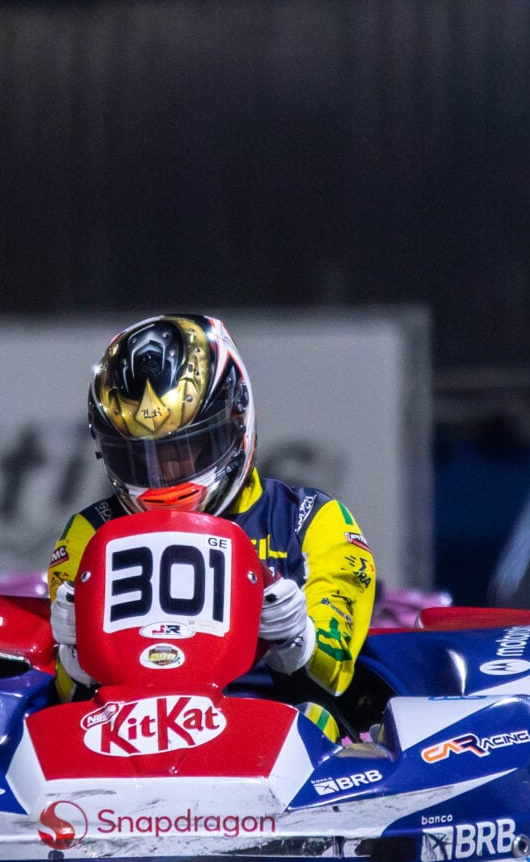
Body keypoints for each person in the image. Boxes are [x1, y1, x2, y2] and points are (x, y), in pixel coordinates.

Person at [44, 314, 379, 740]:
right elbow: (59, 699)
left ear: (235, 423)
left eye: (184, 451)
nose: (162, 477)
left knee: (320, 721)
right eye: (138, 459)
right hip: (118, 740)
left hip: (270, 736)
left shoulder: (312, 522)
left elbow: (339, 678)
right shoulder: (88, 534)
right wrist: (72, 656)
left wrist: (298, 638)